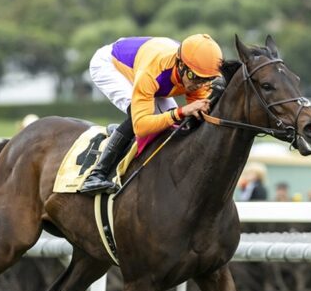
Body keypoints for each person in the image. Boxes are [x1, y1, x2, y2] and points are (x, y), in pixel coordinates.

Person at [79, 34, 223, 194]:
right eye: (193, 77)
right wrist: (181, 111)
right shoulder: (153, 72)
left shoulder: (198, 75)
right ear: (180, 64)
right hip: (110, 64)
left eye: (205, 80)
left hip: (147, 64)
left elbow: (197, 119)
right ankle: (96, 175)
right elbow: (141, 126)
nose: (197, 84)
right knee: (138, 114)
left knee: (174, 124)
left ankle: (119, 133)